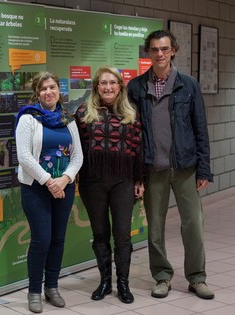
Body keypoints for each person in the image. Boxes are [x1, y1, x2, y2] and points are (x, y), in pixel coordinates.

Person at [127, 30, 214, 300]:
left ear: (173, 50)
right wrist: (137, 173)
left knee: (194, 225)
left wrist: (204, 168)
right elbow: (133, 134)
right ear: (148, 53)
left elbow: (201, 128)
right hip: (153, 168)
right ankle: (162, 276)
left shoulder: (188, 85)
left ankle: (197, 278)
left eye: (165, 49)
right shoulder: (136, 87)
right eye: (154, 49)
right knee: (154, 228)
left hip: (185, 167)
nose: (160, 54)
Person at [75, 66, 144, 304]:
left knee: (123, 235)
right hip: (92, 182)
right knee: (100, 233)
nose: (107, 87)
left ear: (120, 86)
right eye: (103, 83)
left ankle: (123, 283)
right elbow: (76, 149)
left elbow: (138, 150)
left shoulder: (132, 113)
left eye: (112, 83)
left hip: (123, 182)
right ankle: (105, 281)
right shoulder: (84, 113)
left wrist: (139, 180)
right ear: (96, 87)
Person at [15, 72, 83, 313]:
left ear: (58, 90)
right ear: (37, 93)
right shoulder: (28, 118)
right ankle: (34, 291)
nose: (48, 92)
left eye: (52, 87)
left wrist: (64, 179)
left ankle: (52, 287)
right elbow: (24, 156)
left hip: (64, 187)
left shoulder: (68, 119)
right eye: (43, 88)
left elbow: (77, 156)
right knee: (41, 239)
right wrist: (48, 181)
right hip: (36, 188)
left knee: (58, 239)